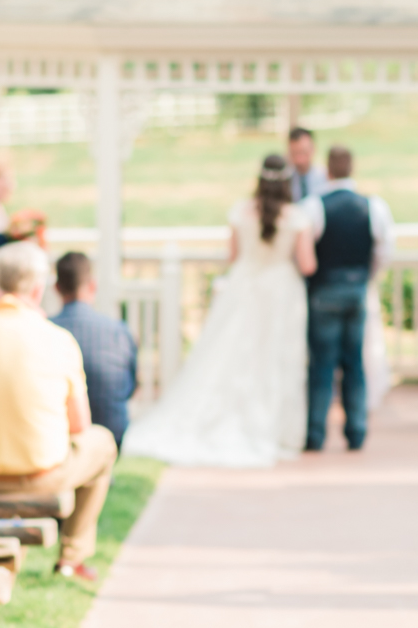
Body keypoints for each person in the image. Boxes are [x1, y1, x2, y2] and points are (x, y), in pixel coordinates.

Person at [0, 241, 116, 581]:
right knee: (103, 443)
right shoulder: (59, 340)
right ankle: (72, 557)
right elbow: (80, 426)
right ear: (38, 288)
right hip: (42, 476)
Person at [123, 154, 315, 467]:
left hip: (246, 286)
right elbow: (307, 265)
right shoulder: (297, 217)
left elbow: (233, 255)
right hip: (280, 291)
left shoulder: (241, 211)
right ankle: (276, 430)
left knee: (235, 358)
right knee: (275, 360)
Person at [300, 145, 395, 452]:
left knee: (321, 364)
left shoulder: (313, 206)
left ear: (327, 170)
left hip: (323, 291)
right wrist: (366, 277)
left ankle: (315, 433)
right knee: (354, 362)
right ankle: (356, 430)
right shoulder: (374, 207)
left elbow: (304, 251)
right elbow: (384, 251)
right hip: (357, 292)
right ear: (351, 168)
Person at [50, 251, 138, 450]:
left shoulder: (44, 331)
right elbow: (130, 387)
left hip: (60, 437)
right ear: (92, 285)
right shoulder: (119, 332)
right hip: (112, 435)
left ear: (56, 287)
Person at [287, 127, 328, 203]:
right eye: (294, 153)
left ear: (313, 149)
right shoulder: (285, 180)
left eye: (303, 152)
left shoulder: (326, 177)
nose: (299, 160)